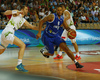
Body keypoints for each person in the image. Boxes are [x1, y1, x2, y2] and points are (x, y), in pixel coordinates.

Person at [0, 5, 39, 72]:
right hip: (8, 32)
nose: (27, 10)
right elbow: (5, 13)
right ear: (22, 9)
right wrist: (15, 11)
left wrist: (41, 28)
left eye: (27, 9)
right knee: (22, 45)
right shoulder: (16, 13)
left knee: (1, 51)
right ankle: (19, 65)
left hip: (6, 33)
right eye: (26, 9)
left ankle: (19, 64)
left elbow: (31, 26)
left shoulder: (23, 20)